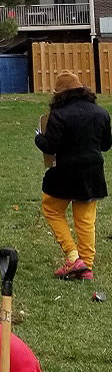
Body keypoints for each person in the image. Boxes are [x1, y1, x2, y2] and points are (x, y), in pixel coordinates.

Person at [34, 71, 111, 280]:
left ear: (59, 94)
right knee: (86, 221)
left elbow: (50, 146)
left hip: (64, 174)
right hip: (92, 174)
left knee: (52, 208)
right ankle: (87, 266)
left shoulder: (58, 114)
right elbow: (106, 145)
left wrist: (38, 138)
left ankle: (73, 256)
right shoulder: (101, 113)